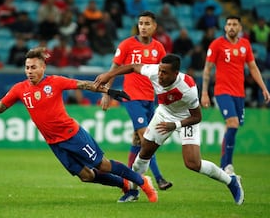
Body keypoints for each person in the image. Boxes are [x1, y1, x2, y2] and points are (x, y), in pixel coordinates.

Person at [0, 46, 158, 203]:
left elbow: (83, 84)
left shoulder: (55, 82)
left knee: (102, 165)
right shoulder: (19, 89)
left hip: (72, 135)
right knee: (86, 176)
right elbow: (0, 107)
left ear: (43, 67)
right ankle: (124, 184)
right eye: (27, 67)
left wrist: (109, 91)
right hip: (54, 142)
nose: (29, 71)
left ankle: (142, 181)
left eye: (33, 67)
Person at [94, 53, 245, 205]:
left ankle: (230, 180)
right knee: (145, 151)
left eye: (164, 72)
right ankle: (133, 190)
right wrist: (109, 75)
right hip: (164, 114)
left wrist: (176, 125)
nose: (160, 75)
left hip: (186, 119)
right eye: (160, 70)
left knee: (192, 163)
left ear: (175, 73)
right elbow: (132, 67)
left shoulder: (188, 88)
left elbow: (197, 117)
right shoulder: (154, 71)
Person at [99, 11, 172, 198]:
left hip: (150, 99)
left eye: (147, 23)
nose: (143, 26)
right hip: (131, 97)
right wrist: (107, 92)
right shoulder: (127, 45)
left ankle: (131, 189)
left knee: (138, 142)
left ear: (154, 27)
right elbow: (114, 69)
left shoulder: (159, 48)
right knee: (147, 137)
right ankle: (158, 178)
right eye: (141, 23)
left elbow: (165, 74)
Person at [201, 15, 270, 174]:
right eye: (229, 24)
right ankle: (227, 165)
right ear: (225, 27)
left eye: (235, 24)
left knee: (232, 127)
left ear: (240, 28)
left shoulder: (245, 45)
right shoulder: (217, 44)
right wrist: (204, 92)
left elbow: (253, 68)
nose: (231, 27)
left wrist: (264, 88)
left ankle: (223, 162)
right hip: (222, 92)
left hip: (239, 93)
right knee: (233, 123)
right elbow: (207, 69)